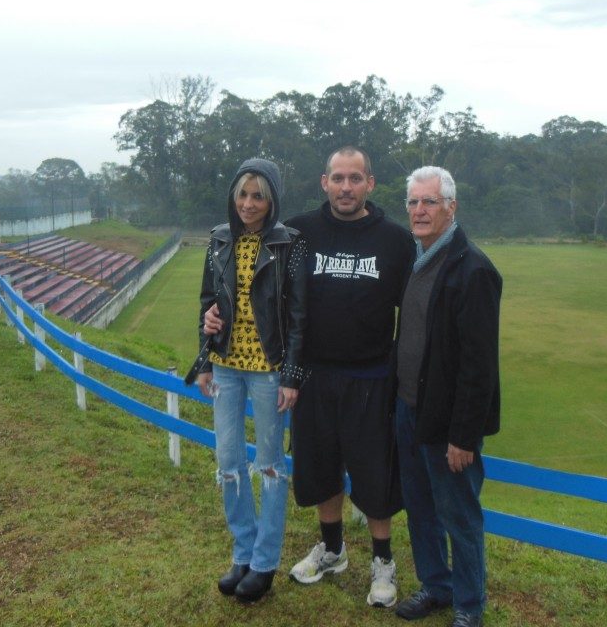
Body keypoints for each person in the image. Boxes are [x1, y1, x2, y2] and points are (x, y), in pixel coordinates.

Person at [207, 147, 414, 606]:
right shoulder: (298, 232)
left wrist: (406, 373)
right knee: (319, 469)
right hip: (311, 376)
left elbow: (413, 314)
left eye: (354, 178)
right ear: (324, 182)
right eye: (337, 178)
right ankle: (333, 549)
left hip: (372, 377)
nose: (345, 187)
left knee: (375, 475)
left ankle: (383, 562)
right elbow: (246, 283)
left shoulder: (395, 241)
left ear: (370, 184)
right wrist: (213, 318)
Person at [186, 157, 308, 604]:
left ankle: (263, 563)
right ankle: (242, 552)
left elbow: (298, 316)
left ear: (271, 199)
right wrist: (204, 355)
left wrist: (292, 375)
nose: (248, 204)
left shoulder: (289, 244)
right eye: (242, 194)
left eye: (258, 195)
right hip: (225, 367)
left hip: (270, 370)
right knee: (229, 460)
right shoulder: (219, 240)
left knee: (271, 465)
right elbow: (207, 302)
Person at [393, 166, 502, 627]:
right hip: (410, 410)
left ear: (451, 207)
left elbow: (479, 367)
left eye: (430, 202)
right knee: (420, 508)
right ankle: (437, 586)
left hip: (448, 423)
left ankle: (468, 606)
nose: (420, 211)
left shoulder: (472, 269)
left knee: (459, 516)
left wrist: (463, 436)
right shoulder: (416, 260)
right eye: (414, 202)